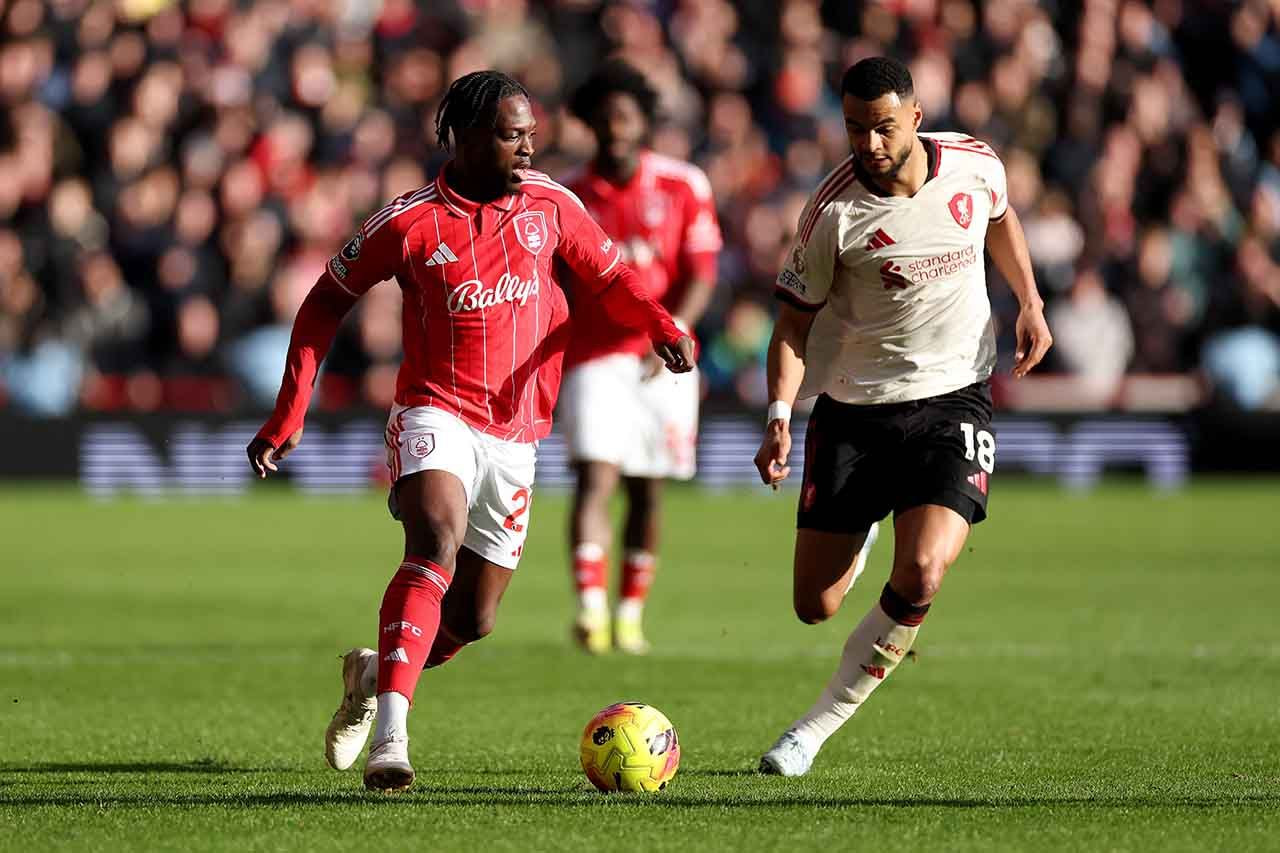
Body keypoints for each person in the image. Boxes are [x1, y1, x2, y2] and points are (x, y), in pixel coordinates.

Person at [245, 70, 693, 792]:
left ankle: (369, 673)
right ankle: (393, 735)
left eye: (532, 136)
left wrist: (663, 326)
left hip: (518, 433)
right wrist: (289, 412)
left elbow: (612, 276)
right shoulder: (409, 221)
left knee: (475, 618)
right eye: (512, 136)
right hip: (435, 408)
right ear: (467, 137)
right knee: (434, 541)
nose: (527, 149)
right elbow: (325, 302)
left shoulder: (552, 204)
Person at [753, 57, 1051, 776]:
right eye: (855, 128)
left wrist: (1031, 301)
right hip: (855, 410)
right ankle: (865, 525)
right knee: (814, 605)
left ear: (916, 117)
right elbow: (792, 327)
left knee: (920, 574)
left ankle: (811, 732)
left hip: (955, 398)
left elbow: (1001, 223)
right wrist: (778, 413)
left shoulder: (977, 166)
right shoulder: (833, 212)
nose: (869, 144)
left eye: (883, 126)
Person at [558, 61, 722, 654]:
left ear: (644, 122)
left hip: (667, 354)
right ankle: (590, 609)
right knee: (596, 475)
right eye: (603, 120)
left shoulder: (684, 185)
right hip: (594, 352)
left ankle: (630, 613)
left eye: (625, 118)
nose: (615, 129)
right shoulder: (568, 194)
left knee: (648, 487)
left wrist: (675, 328)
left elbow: (702, 272)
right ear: (589, 125)